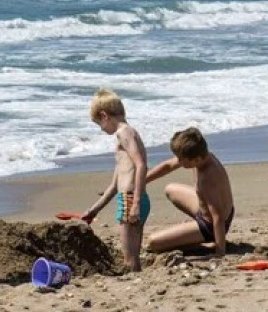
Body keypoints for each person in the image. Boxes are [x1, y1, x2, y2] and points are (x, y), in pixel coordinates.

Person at [81, 88, 150, 271]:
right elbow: (114, 186)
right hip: (133, 198)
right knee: (133, 256)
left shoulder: (124, 133)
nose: (101, 129)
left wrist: (135, 203)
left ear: (104, 116)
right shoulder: (129, 134)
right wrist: (94, 210)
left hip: (130, 200)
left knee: (129, 259)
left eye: (99, 124)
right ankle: (137, 277)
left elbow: (141, 164)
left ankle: (134, 281)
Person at [144, 127, 235, 258]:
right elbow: (168, 166)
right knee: (170, 189)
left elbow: (218, 217)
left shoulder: (208, 177)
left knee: (153, 242)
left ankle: (205, 244)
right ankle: (191, 235)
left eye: (181, 159)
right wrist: (142, 181)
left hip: (211, 226)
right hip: (204, 210)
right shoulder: (202, 156)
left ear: (195, 159)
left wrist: (220, 251)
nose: (178, 161)